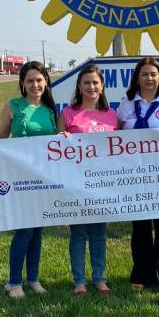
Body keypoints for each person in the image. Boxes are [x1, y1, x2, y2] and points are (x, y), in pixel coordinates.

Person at [0, 61, 57, 299]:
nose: (35, 85)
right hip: (19, 178)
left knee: (37, 231)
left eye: (39, 80)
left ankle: (33, 279)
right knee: (24, 231)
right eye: (30, 80)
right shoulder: (13, 105)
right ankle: (13, 282)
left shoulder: (50, 109)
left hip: (42, 177)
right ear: (22, 83)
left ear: (46, 82)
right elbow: (2, 134)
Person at [117, 56, 159, 294]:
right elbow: (117, 134)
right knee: (140, 227)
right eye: (144, 74)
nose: (149, 78)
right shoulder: (126, 104)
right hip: (134, 172)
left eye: (153, 74)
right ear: (137, 78)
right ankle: (143, 274)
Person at [57, 65, 118, 296]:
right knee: (79, 233)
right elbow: (55, 149)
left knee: (99, 232)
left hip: (104, 182)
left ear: (102, 86)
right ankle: (79, 281)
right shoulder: (67, 114)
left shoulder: (112, 115)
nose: (91, 87)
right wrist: (61, 138)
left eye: (95, 82)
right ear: (79, 87)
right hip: (76, 182)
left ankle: (99, 278)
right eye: (86, 83)